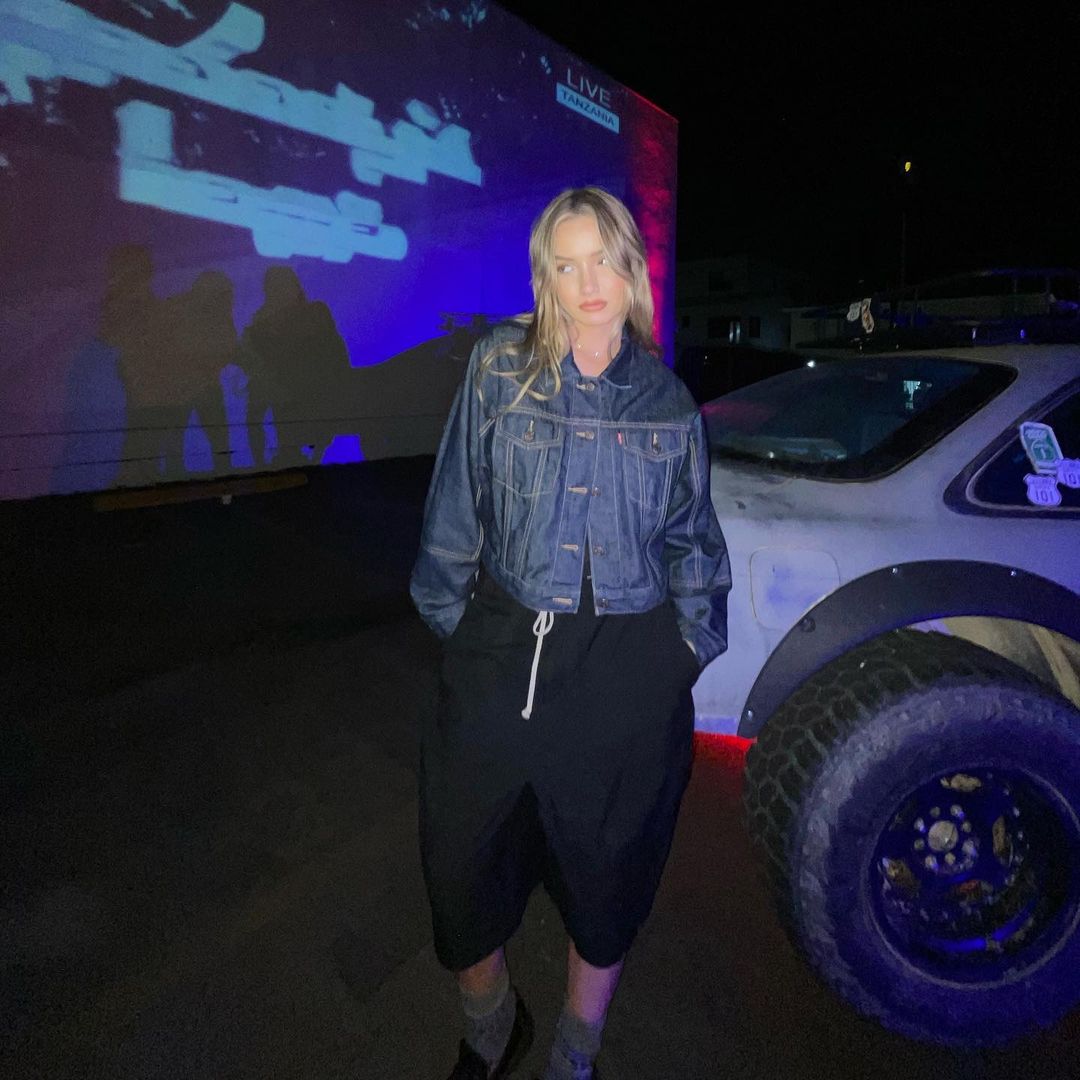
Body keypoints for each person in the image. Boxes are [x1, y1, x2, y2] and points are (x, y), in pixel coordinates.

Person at [410, 188, 731, 1080]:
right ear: (544, 278)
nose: (588, 282)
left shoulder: (669, 404)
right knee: (458, 862)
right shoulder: (498, 368)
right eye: (566, 263)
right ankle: (490, 1022)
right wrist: (464, 638)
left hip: (625, 670)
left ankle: (575, 1049)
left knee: (607, 874)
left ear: (632, 270)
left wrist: (677, 659)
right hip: (503, 650)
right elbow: (453, 512)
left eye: (603, 260)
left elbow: (696, 548)